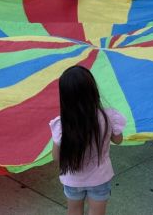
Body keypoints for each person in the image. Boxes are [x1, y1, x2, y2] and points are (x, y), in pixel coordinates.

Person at [49, 66, 125, 215]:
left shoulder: (62, 125)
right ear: (93, 90)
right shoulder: (108, 117)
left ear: (65, 97)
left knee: (74, 211)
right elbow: (118, 140)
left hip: (72, 179)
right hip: (100, 178)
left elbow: (56, 157)